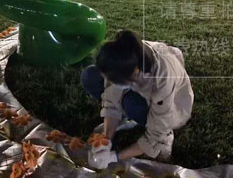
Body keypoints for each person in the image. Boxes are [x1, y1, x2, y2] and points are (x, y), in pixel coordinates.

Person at [81, 30, 194, 169]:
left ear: (134, 73)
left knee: (132, 105)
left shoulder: (163, 78)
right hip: (135, 83)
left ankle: (166, 137)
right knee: (90, 75)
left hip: (174, 106)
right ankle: (123, 119)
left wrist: (114, 157)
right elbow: (111, 96)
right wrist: (106, 140)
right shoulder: (123, 57)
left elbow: (155, 135)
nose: (109, 82)